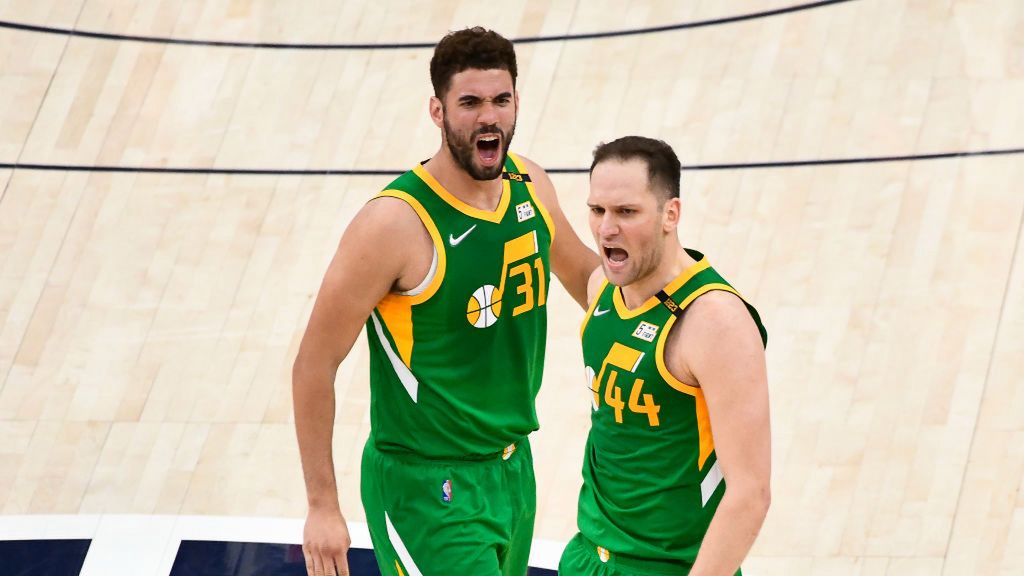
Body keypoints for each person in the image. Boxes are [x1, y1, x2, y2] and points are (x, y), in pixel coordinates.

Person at [293, 27, 597, 576]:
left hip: (511, 471)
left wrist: (678, 295)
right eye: (470, 103)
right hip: (426, 489)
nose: (489, 117)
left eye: (501, 100)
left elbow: (588, 279)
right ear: (437, 111)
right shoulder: (393, 224)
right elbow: (313, 365)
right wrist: (321, 505)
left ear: (517, 103)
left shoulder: (530, 184)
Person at [559, 136, 770, 576]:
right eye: (597, 210)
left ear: (670, 214)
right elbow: (552, 233)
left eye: (626, 212)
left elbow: (750, 494)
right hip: (587, 558)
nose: (605, 229)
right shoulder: (604, 292)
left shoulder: (716, 321)